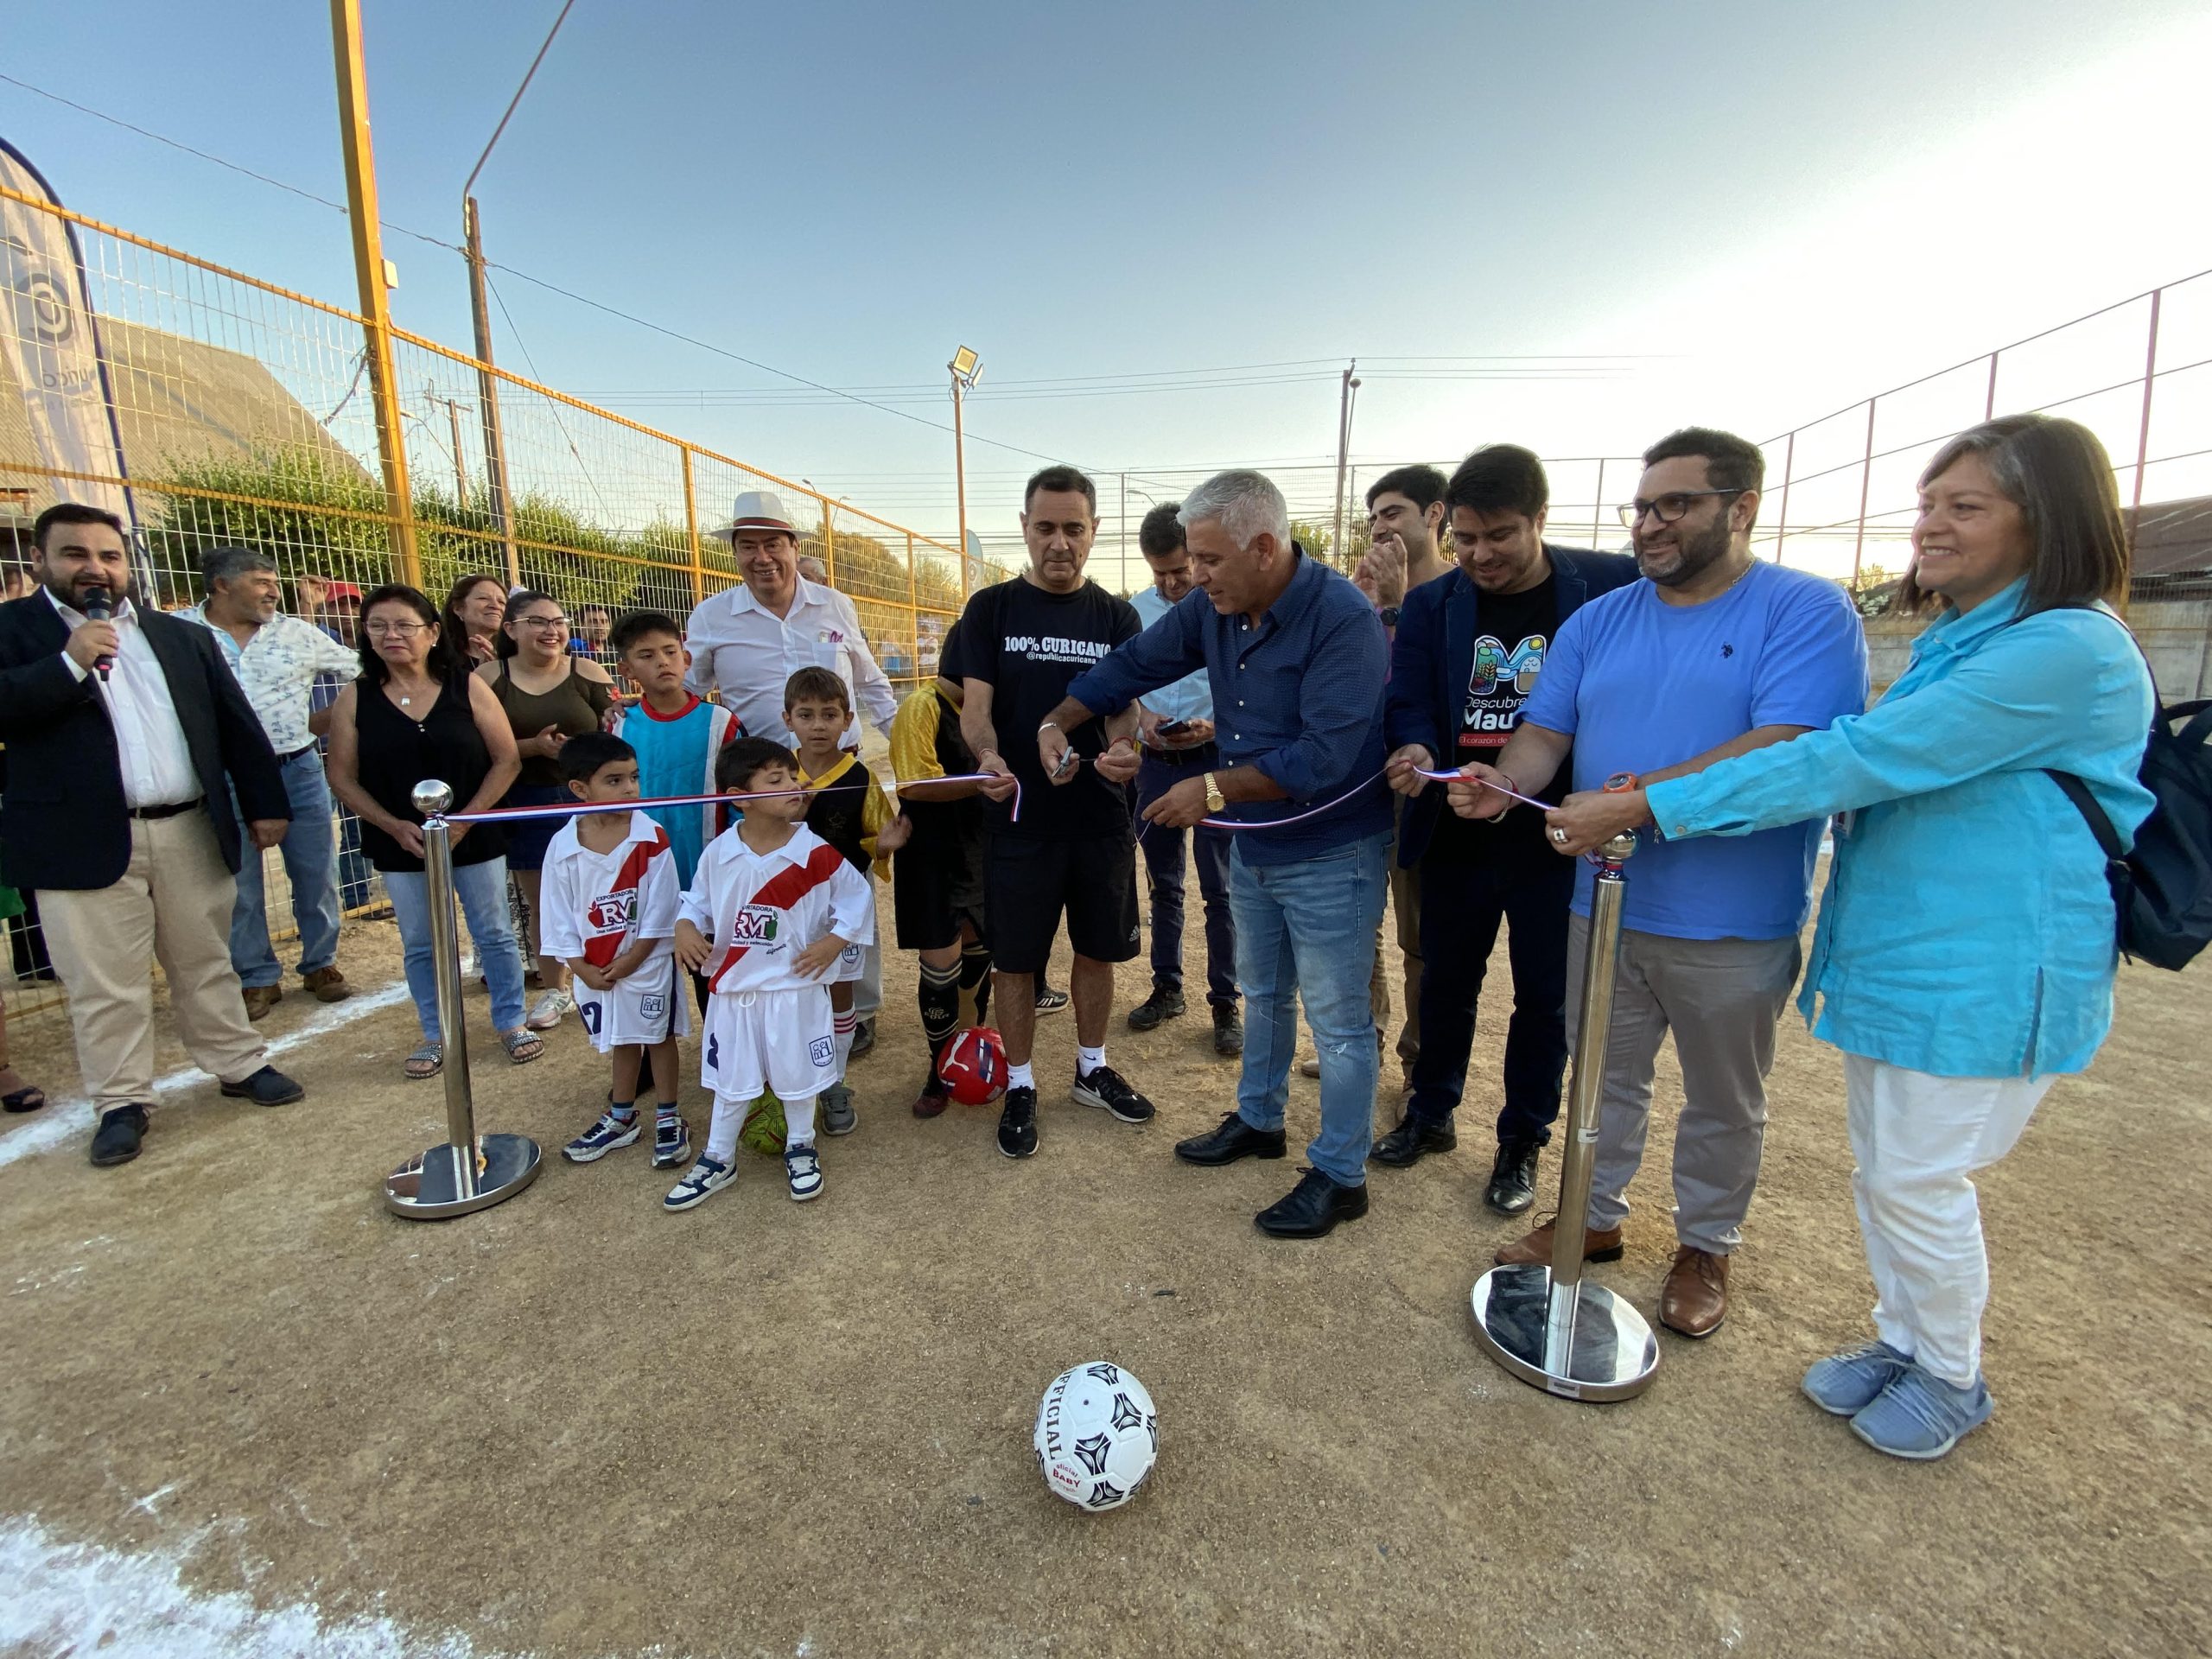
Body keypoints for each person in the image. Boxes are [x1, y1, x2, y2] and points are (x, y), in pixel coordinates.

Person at [1543, 414, 2152, 1458]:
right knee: (1891, 1174)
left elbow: (1849, 760)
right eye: (1928, 504)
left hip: (1984, 968)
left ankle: (1948, 1375)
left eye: (1965, 507)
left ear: (2046, 518)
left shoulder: (2063, 649)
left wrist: (1645, 804)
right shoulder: (1969, 639)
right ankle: (1903, 1342)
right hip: (1910, 962)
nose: (1930, 527)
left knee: (1917, 1179)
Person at [1453, 427, 1868, 1338]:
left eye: (1675, 504)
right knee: (1602, 1080)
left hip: (1732, 919)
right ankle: (1592, 1217)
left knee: (1724, 1099)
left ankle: (1705, 1245)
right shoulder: (1599, 620)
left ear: (1741, 507)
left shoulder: (1805, 610)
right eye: (1641, 507)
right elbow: (1545, 733)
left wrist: (1632, 804)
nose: (1649, 524)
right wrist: (1504, 786)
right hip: (1601, 905)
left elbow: (1787, 746)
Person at [1051, 470, 1392, 1238]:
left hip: (1332, 850)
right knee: (1264, 994)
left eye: (1207, 560)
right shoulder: (1214, 607)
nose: (1194, 577)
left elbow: (1323, 758)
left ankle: (1342, 1175)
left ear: (1263, 548)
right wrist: (1057, 718)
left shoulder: (1342, 619)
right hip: (1256, 843)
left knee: (1338, 1023)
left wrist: (1207, 791)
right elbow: (1134, 664)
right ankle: (1260, 1121)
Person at [0, 503, 304, 1167]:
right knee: (104, 982)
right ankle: (121, 1102)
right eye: (75, 554)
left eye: (108, 556)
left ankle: (237, 1063)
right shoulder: (13, 631)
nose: (95, 568)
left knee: (206, 960)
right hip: (80, 839)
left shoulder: (178, 636)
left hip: (187, 826)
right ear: (39, 561)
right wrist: (69, 663)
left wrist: (265, 804)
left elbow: (234, 724)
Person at [1377, 446, 1637, 1215]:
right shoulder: (1432, 604)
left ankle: (1523, 1139)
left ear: (1539, 519)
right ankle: (1430, 1112)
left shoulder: (1608, 585)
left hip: (1558, 836)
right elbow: (1409, 698)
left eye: (1500, 536)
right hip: (1456, 826)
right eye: (1465, 538)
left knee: (1544, 998)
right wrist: (1418, 747)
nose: (1481, 555)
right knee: (1445, 981)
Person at [951, 465, 1154, 1160]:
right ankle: (1020, 1082)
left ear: (1094, 532)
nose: (1059, 542)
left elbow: (1124, 705)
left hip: (1099, 817)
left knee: (1098, 949)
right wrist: (987, 756)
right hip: (1018, 820)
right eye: (1045, 527)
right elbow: (976, 710)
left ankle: (1092, 1069)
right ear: (1025, 529)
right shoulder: (990, 610)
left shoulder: (1118, 617)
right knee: (1015, 961)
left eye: (1073, 528)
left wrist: (1123, 745)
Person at [683, 490, 898, 1049]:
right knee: (770, 893)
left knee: (848, 886)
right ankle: (785, 1002)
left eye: (772, 544)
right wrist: (631, 716)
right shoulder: (711, 616)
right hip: (763, 791)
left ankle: (856, 1011)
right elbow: (686, 691)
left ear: (793, 546)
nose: (762, 558)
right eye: (748, 546)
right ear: (735, 552)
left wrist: (910, 746)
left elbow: (872, 683)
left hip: (836, 777)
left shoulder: (834, 605)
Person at [325, 584, 541, 1077]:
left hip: (473, 833)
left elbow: (506, 760)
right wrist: (391, 824)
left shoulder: (467, 686)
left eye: (405, 625)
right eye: (378, 626)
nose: (392, 635)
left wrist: (467, 819)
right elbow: (341, 776)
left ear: (433, 633)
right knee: (420, 941)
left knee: (493, 931)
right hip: (401, 841)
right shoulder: (356, 697)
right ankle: (436, 1030)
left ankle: (511, 1021)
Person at [668, 737, 874, 1210]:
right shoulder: (719, 852)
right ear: (739, 797)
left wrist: (833, 942)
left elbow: (857, 897)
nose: (794, 786)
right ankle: (718, 1157)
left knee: (797, 1076)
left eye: (793, 777)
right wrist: (684, 928)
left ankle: (801, 1146)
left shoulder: (815, 852)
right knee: (731, 1080)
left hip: (792, 989)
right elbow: (697, 903)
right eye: (776, 779)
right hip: (733, 993)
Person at [1317, 462, 1457, 1087]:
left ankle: (1417, 1069)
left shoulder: (1459, 594)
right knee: (1356, 925)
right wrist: (1359, 607)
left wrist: (1398, 605)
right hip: (1358, 784)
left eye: (1393, 513)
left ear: (1435, 515)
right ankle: (1360, 1048)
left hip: (1419, 788)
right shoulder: (1363, 596)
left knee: (1419, 938)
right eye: (1373, 517)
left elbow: (1433, 691)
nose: (1379, 528)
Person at [192, 545, 363, 1018]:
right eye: (261, 582)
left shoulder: (297, 634)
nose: (273, 592)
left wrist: (324, 720)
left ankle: (320, 964)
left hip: (296, 768)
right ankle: (256, 977)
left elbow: (364, 671)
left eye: (274, 582)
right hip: (221, 774)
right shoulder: (183, 632)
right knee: (238, 882)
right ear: (222, 585)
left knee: (315, 872)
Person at [543, 733, 694, 1175]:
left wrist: (635, 957)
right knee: (622, 1038)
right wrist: (579, 967)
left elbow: (663, 906)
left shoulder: (651, 838)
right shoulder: (563, 847)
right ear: (580, 789)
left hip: (647, 965)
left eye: (634, 777)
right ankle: (622, 1116)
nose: (630, 789)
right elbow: (556, 913)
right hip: (595, 968)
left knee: (658, 1036)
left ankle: (669, 1115)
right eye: (614, 780)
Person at [1124, 502, 1242, 1058]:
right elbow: (1124, 684)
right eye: (1160, 574)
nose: (1172, 583)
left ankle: (1226, 1003)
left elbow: (1247, 686)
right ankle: (1167, 987)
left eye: (1180, 569)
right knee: (1163, 885)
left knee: (1220, 890)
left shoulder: (1227, 604)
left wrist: (1214, 726)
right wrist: (1143, 718)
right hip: (1155, 768)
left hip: (1215, 764)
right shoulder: (1136, 611)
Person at [479, 589, 617, 1028]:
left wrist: (580, 750)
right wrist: (531, 748)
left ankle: (608, 978)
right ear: (511, 629)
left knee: (603, 894)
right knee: (544, 903)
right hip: (525, 799)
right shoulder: (488, 677)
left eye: (558, 621)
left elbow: (618, 732)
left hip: (588, 800)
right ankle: (557, 990)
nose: (551, 630)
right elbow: (474, 743)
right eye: (537, 622)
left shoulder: (587, 671)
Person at [785, 664, 910, 1135]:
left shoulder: (860, 777)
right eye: (806, 715)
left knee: (840, 990)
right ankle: (790, 1080)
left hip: (841, 905)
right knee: (790, 990)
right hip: (787, 905)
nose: (818, 725)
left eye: (829, 715)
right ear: (787, 719)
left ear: (848, 720)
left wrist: (886, 846)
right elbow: (755, 830)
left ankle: (835, 1080)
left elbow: (873, 839)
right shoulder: (776, 774)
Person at [887, 620, 994, 1117]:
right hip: (932, 857)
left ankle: (971, 1051)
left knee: (979, 954)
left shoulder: (987, 710)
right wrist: (983, 782)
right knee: (940, 965)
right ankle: (938, 1068)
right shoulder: (921, 705)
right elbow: (913, 784)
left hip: (980, 852)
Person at [608, 610, 744, 950]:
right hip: (642, 873)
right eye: (646, 655)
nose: (662, 662)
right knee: (650, 966)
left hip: (709, 873)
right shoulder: (618, 726)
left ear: (686, 659)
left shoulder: (721, 722)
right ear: (627, 670)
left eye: (670, 652)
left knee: (709, 968)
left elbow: (742, 800)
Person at [441, 573, 507, 667]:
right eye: (483, 598)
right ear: (458, 608)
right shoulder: (439, 660)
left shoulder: (514, 658)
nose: (496, 606)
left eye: (501, 602)